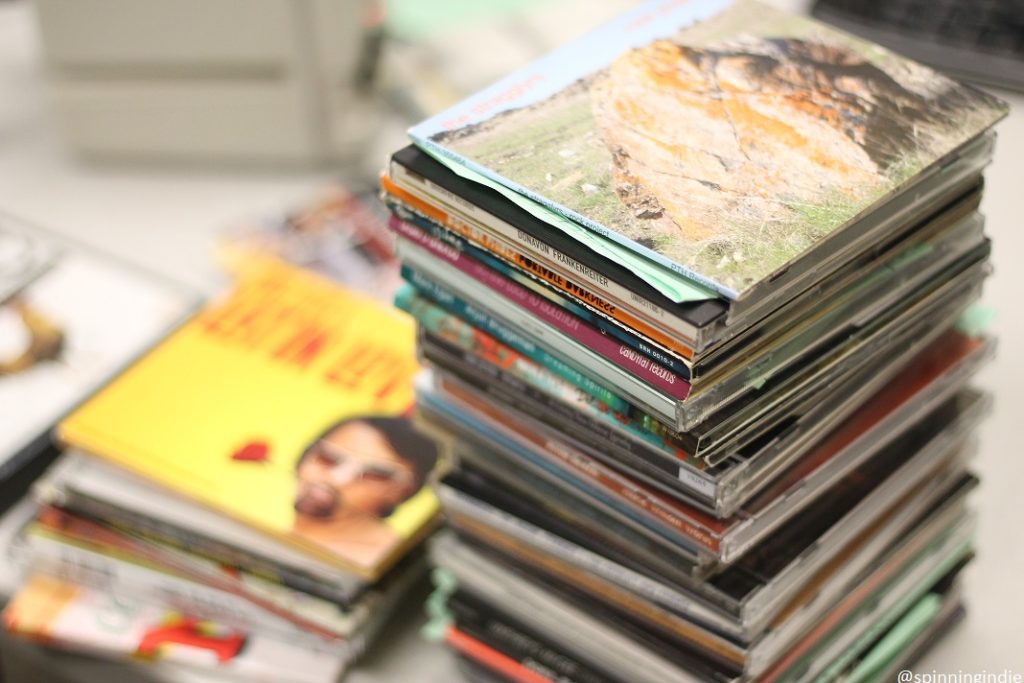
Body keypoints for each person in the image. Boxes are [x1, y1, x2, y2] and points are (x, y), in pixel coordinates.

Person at [291, 415, 438, 566]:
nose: (338, 479)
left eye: (374, 475)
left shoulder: (377, 562)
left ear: (404, 491)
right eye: (328, 458)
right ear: (305, 456)